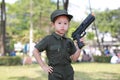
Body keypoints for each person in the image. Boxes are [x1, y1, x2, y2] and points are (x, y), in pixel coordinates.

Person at [33, 9, 84, 80]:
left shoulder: (69, 41)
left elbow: (74, 58)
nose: (62, 26)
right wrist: (43, 66)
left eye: (65, 23)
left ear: (68, 25)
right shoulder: (48, 39)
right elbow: (35, 51)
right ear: (53, 24)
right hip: (55, 73)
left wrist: (79, 47)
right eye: (59, 23)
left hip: (68, 73)